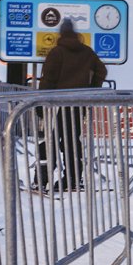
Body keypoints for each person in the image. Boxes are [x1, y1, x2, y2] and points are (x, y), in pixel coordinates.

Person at [36, 18, 107, 190]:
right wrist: (91, 89)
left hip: (56, 104)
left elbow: (48, 80)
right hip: (78, 103)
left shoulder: (57, 53)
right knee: (71, 140)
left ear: (61, 33)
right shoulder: (87, 52)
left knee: (49, 140)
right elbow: (102, 71)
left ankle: (41, 179)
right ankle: (73, 178)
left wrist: (40, 102)